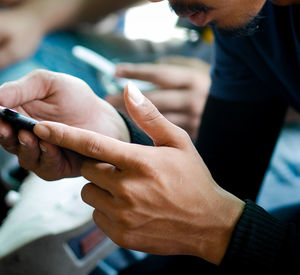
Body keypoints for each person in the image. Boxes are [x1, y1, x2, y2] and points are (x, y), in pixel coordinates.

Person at [0, 0, 300, 274]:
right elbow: (221, 184)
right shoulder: (249, 23)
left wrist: (217, 229)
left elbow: (219, 215)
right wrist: (116, 136)